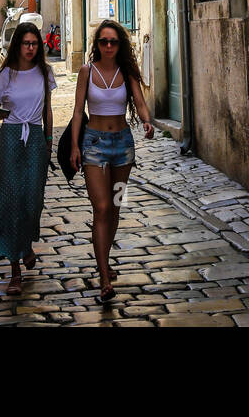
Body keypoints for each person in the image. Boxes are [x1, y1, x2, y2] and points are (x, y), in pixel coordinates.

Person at [70, 18, 154, 303]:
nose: (108, 46)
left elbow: (140, 102)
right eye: (103, 42)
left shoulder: (127, 72)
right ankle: (104, 276)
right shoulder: (86, 71)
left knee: (116, 206)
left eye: (113, 42)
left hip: (122, 147)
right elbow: (78, 112)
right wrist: (74, 147)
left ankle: (103, 259)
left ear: (120, 45)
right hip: (93, 144)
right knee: (102, 206)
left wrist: (146, 122)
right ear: (97, 45)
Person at [0, 21, 55, 297]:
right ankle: (14, 268)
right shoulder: (5, 76)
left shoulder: (44, 72)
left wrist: (49, 142)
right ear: (17, 45)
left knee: (32, 200)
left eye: (34, 44)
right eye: (26, 43)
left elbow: (48, 111)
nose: (30, 48)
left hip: (35, 139)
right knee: (11, 199)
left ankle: (26, 245)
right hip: (10, 139)